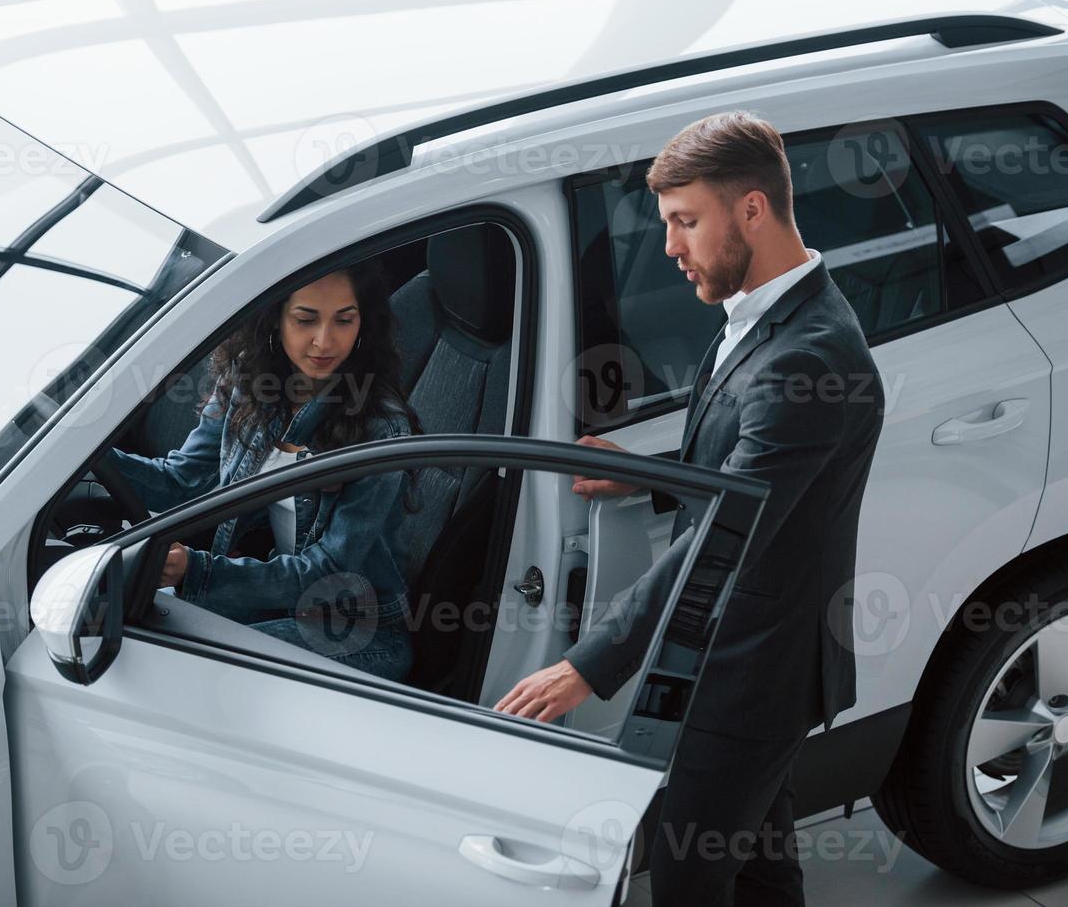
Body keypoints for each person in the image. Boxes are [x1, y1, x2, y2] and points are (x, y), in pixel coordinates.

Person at [496, 112, 886, 905]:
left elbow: (728, 532)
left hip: (754, 670)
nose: (669, 246)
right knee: (759, 860)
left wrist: (588, 663)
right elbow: (755, 468)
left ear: (750, 209)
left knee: (686, 873)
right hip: (746, 654)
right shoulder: (761, 312)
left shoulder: (804, 355)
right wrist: (649, 475)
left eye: (684, 222)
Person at [110, 261, 422, 681]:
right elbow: (183, 483)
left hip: (353, 626)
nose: (325, 341)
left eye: (344, 320)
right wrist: (86, 463)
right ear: (275, 318)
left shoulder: (380, 426)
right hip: (272, 598)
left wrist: (199, 570)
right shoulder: (249, 383)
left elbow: (330, 571)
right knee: (124, 629)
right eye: (305, 319)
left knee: (181, 669)